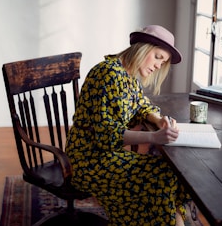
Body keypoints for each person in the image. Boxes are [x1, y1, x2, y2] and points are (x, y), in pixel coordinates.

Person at [65, 25, 191, 226]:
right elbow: (106, 135)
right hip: (89, 158)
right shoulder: (109, 74)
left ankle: (171, 220)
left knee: (172, 175)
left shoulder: (128, 75)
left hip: (107, 154)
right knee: (161, 177)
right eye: (158, 57)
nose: (159, 66)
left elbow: (140, 104)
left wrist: (157, 119)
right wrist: (154, 137)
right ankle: (166, 220)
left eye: (163, 62)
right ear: (143, 48)